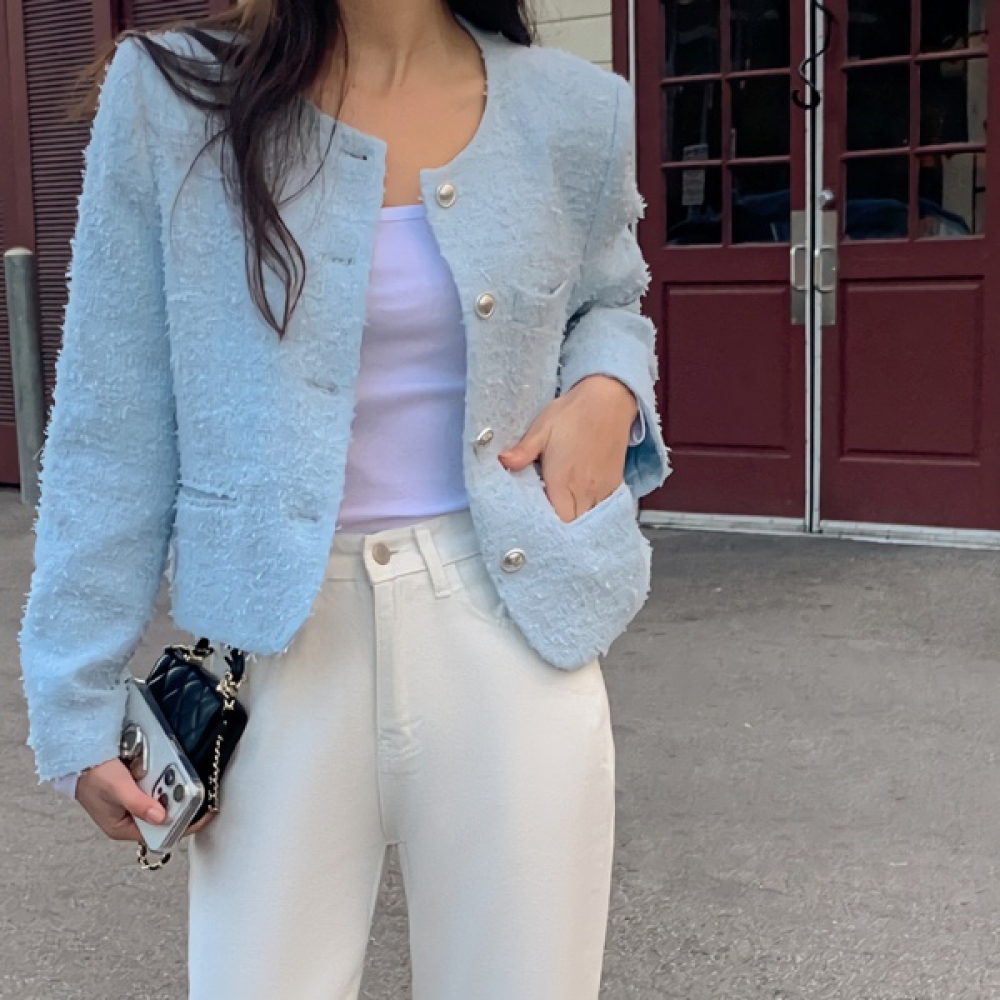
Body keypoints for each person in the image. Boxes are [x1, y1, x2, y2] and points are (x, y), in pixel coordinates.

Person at [17, 1, 670, 997]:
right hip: (273, 656)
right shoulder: (174, 99)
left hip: (511, 631)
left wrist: (609, 386)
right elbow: (111, 419)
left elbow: (611, 298)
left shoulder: (575, 110)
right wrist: (74, 694)